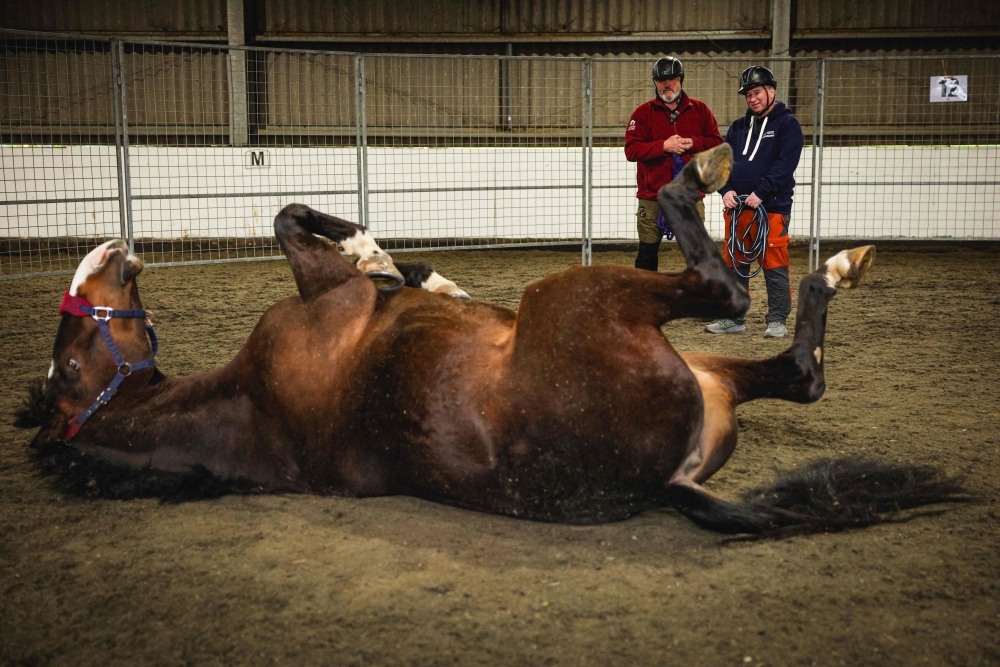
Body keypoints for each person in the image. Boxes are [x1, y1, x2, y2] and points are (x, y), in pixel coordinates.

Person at [706, 65, 804, 339]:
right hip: (737, 210)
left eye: (757, 92)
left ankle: (777, 320)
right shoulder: (738, 128)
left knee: (774, 263)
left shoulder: (787, 125)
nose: (752, 98)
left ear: (771, 91)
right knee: (734, 262)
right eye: (748, 94)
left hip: (770, 209)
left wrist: (761, 192)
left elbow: (785, 165)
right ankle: (732, 317)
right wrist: (724, 190)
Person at [625, 56, 723, 272]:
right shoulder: (642, 114)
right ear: (655, 83)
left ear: (681, 79)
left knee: (698, 254)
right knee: (647, 253)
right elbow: (631, 150)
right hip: (652, 199)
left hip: (689, 196)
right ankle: (646, 300)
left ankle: (697, 299)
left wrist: (694, 143)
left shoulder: (700, 110)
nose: (667, 84)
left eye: (672, 79)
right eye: (661, 80)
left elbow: (717, 143)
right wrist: (663, 146)